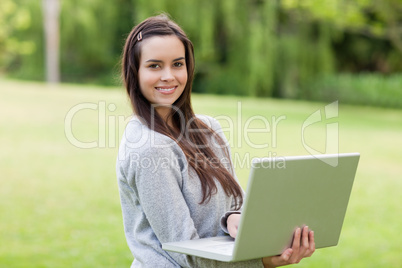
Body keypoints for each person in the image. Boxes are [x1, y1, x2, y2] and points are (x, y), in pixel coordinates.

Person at [116, 14, 315, 268]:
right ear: (134, 71)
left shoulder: (209, 129)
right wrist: (262, 261)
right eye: (154, 66)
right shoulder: (148, 148)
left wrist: (235, 219)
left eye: (178, 64)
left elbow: (237, 202)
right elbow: (186, 255)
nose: (169, 76)